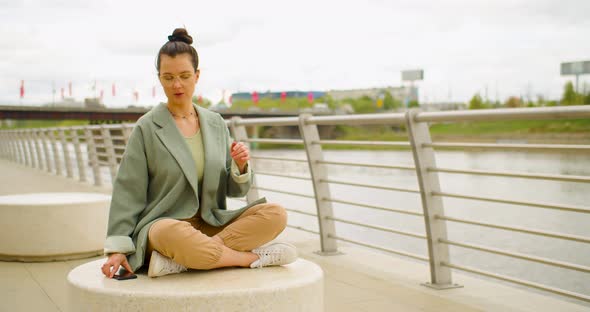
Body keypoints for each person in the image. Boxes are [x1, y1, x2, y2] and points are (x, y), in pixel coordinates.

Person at [101, 28, 297, 278]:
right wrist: (117, 249)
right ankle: (250, 258)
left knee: (275, 214)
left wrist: (239, 167)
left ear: (197, 75)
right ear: (159, 78)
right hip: (166, 229)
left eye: (184, 75)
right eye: (168, 77)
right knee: (170, 232)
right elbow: (128, 191)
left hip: (210, 225)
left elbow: (235, 191)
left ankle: (183, 260)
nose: (177, 84)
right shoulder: (147, 127)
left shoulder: (214, 123)